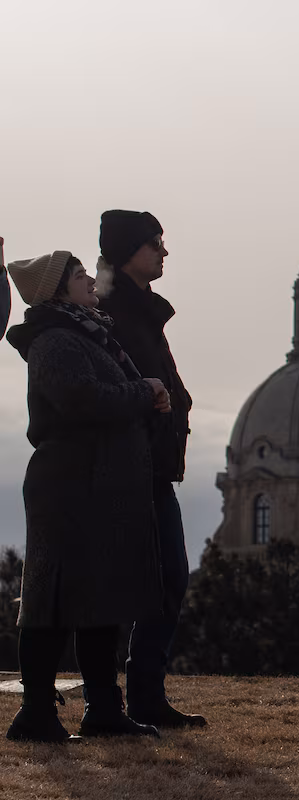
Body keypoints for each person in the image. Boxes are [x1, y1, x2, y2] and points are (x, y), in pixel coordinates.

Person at [5, 251, 168, 742]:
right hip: (71, 488)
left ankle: (103, 711)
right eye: (79, 276)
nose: (91, 281)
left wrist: (148, 394)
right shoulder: (55, 339)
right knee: (53, 602)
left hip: (96, 487)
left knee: (101, 600)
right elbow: (83, 401)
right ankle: (36, 714)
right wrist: (145, 392)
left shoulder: (86, 333)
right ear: (57, 290)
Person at [95, 210, 205, 728]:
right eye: (154, 244)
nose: (164, 252)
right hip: (127, 469)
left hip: (156, 470)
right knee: (121, 585)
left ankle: (145, 694)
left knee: (169, 579)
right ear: (127, 252)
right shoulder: (110, 314)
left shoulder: (142, 312)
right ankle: (110, 703)